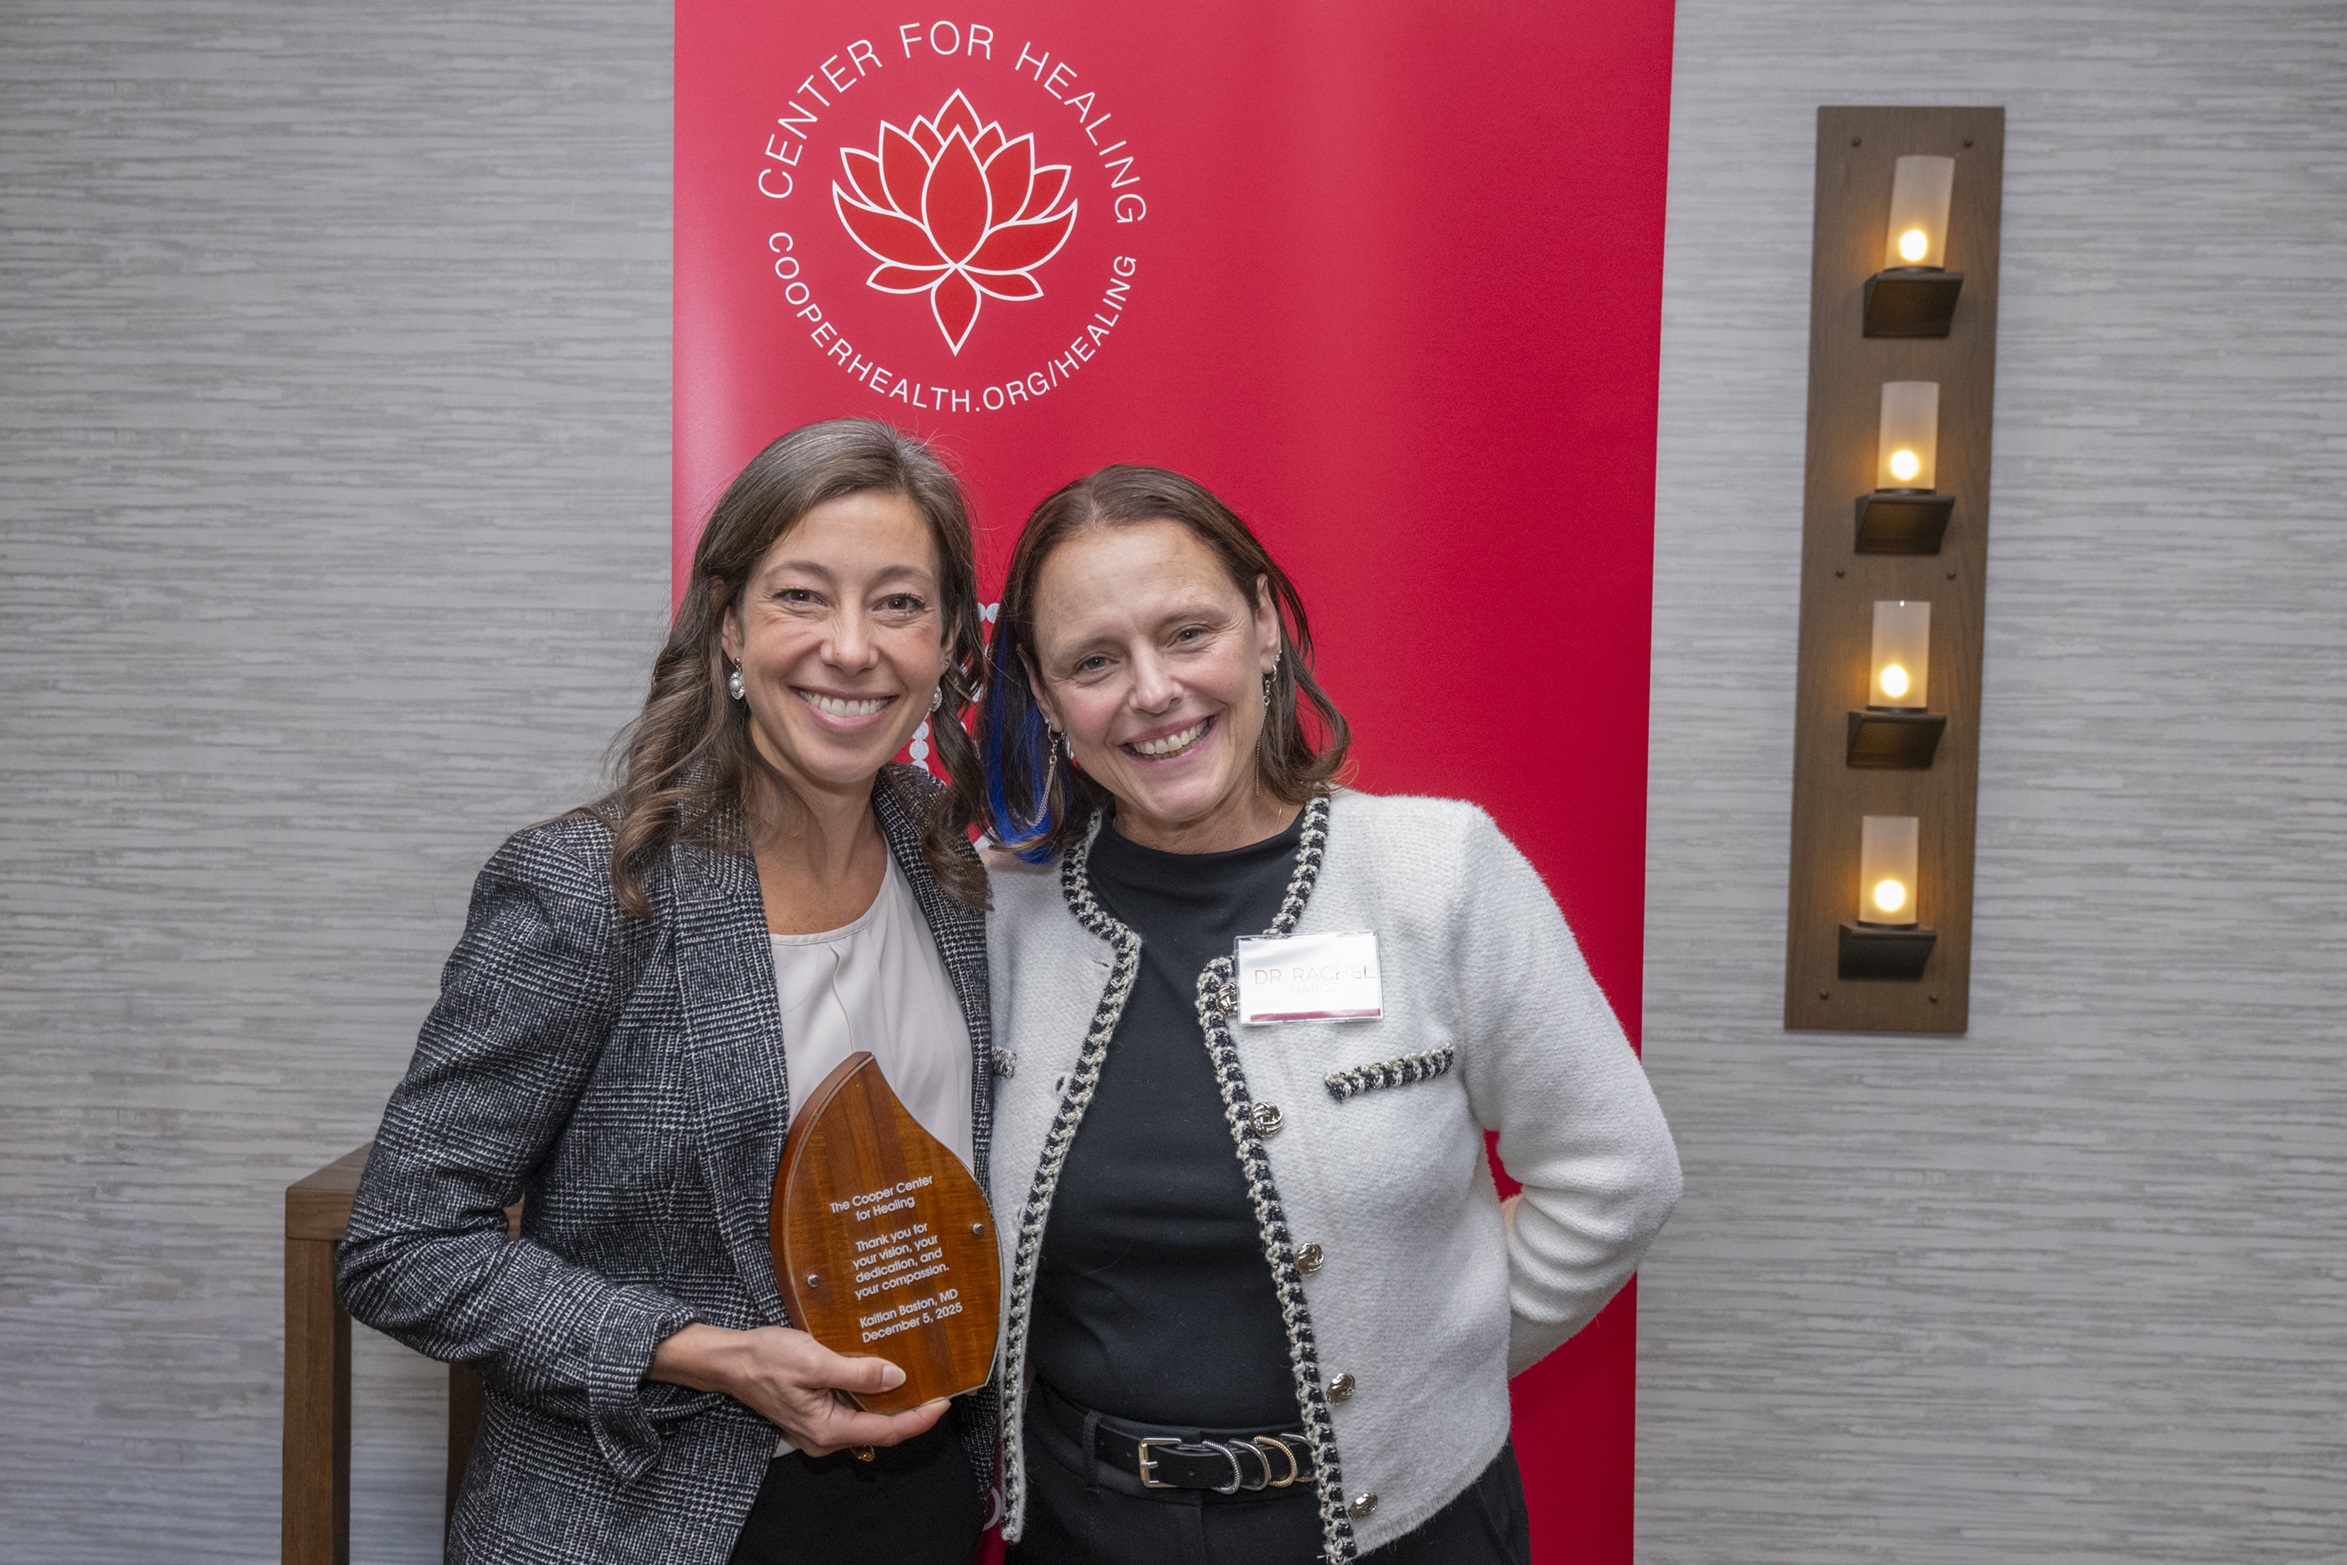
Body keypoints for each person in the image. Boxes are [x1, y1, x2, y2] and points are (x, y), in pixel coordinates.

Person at [977, 466, 1683, 1565]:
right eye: (1094, 661)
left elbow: (1618, 1170)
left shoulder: (1434, 875)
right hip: (1082, 1529)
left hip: (1411, 1526)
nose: (1153, 690)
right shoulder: (996, 916)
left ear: (1264, 623)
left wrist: (1433, 1358)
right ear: (1042, 689)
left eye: (1188, 631)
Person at [338, 418, 999, 1565]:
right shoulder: (595, 889)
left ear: (949, 644)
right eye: (803, 595)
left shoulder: (953, 871)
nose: (852, 647)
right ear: (728, 623)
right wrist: (699, 1348)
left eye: (899, 603)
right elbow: (402, 1243)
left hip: (926, 1500)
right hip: (649, 1515)